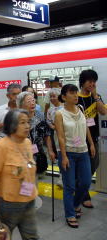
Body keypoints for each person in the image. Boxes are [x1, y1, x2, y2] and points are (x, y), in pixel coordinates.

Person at [0, 109, 39, 240]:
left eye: (28, 122)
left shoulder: (27, 143)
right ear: (12, 125)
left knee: (32, 236)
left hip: (29, 200)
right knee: (2, 237)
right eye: (23, 122)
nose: (27, 126)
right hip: (8, 204)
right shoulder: (0, 147)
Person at [55, 84, 95, 228]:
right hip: (68, 153)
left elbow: (86, 128)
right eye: (71, 93)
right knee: (69, 186)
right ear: (64, 97)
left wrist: (91, 144)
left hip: (83, 151)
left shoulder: (81, 109)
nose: (75, 95)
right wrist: (64, 156)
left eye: (75, 93)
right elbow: (60, 137)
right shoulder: (59, 114)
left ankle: (76, 204)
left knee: (85, 182)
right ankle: (70, 214)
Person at [78, 69, 107, 208]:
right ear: (82, 82)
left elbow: (103, 111)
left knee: (94, 164)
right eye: (89, 81)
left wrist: (95, 95)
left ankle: (81, 187)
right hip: (80, 138)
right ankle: (84, 195)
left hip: (94, 137)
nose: (92, 84)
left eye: (94, 81)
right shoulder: (76, 97)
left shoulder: (96, 97)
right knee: (85, 167)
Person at [16, 92, 55, 176]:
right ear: (21, 104)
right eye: (29, 101)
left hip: (39, 155)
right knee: (26, 181)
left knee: (34, 181)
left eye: (33, 100)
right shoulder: (17, 118)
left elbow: (47, 134)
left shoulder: (40, 115)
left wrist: (50, 150)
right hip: (22, 156)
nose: (32, 103)